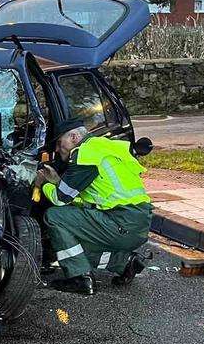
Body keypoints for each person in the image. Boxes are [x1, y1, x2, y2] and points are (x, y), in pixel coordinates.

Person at [35, 121, 153, 295]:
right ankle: (125, 263)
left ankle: (79, 278)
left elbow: (60, 200)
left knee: (55, 216)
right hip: (137, 222)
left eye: (60, 144)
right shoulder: (103, 146)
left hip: (121, 221)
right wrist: (57, 182)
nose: (58, 151)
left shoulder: (85, 154)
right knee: (71, 246)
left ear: (74, 137)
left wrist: (42, 183)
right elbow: (82, 199)